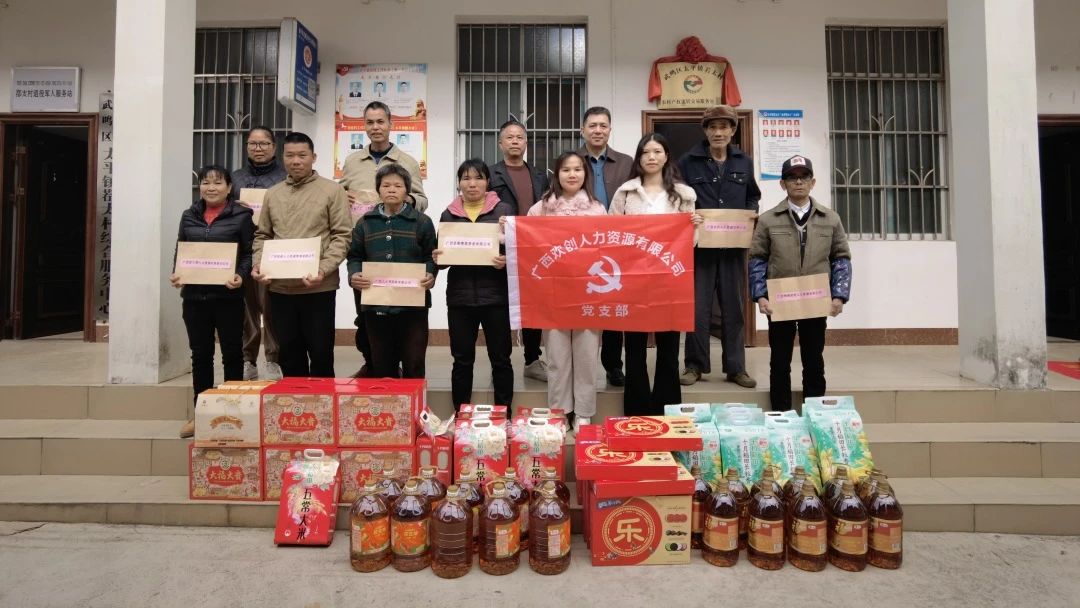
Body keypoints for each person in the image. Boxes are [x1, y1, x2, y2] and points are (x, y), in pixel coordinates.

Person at [749, 155, 852, 411]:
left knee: (813, 357)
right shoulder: (768, 219)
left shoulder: (830, 218)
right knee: (779, 359)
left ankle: (815, 412)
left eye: (804, 177)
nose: (798, 182)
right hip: (780, 300)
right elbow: (757, 259)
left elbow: (841, 258)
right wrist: (760, 295)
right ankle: (780, 413)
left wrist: (839, 295)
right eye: (792, 178)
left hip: (816, 300)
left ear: (812, 182)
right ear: (782, 184)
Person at [609, 134, 701, 416]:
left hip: (669, 280)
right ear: (638, 157)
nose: (651, 157)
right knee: (634, 348)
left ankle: (666, 408)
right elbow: (612, 233)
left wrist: (694, 226)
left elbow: (690, 242)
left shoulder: (684, 194)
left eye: (657, 151)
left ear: (666, 156)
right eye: (646, 152)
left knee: (669, 347)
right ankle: (636, 410)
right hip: (633, 279)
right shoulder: (625, 193)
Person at [251, 132, 352, 378]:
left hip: (318, 286)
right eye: (290, 155)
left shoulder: (332, 190)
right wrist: (259, 265)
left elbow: (342, 236)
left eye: (302, 155)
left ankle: (322, 402)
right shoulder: (273, 193)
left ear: (313, 157)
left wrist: (323, 269)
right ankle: (295, 402)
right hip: (280, 288)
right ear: (282, 157)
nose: (296, 161)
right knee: (289, 355)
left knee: (321, 354)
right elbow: (262, 235)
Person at [340, 101, 428, 377]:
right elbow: (339, 196)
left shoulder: (407, 162)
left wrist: (401, 198)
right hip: (369, 248)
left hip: (401, 250)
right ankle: (374, 365)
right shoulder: (352, 161)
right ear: (364, 126)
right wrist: (343, 198)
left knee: (405, 319)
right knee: (366, 315)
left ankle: (403, 368)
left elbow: (422, 200)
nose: (375, 127)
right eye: (370, 122)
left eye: (380, 122)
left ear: (391, 124)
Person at [678, 104, 761, 388]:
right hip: (699, 249)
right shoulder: (688, 162)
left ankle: (736, 367)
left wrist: (749, 215)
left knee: (733, 308)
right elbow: (680, 199)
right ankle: (694, 365)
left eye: (724, 127)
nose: (718, 132)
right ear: (705, 131)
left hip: (733, 248)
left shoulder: (744, 162)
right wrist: (689, 217)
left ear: (733, 130)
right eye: (712, 127)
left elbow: (752, 196)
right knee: (697, 309)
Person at [172, 165, 253, 438]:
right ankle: (202, 414)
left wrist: (241, 275)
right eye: (206, 182)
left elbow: (248, 253)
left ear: (229, 188)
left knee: (232, 353)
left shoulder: (242, 216)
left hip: (228, 297)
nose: (211, 187)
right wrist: (177, 273)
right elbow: (181, 248)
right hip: (194, 298)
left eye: (218, 183)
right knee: (201, 355)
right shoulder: (189, 215)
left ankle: (235, 413)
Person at [528, 151, 607, 431]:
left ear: (586, 174)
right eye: (565, 170)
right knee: (557, 358)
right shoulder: (541, 209)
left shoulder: (598, 209)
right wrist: (507, 229)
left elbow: (608, 247)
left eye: (577, 169)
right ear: (556, 174)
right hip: (553, 294)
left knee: (586, 356)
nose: (572, 174)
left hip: (589, 292)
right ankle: (560, 411)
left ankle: (583, 412)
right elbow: (525, 241)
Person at [434, 159, 515, 411]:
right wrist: (438, 257)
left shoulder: (503, 211)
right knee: (461, 360)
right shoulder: (448, 214)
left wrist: (506, 260)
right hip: (460, 299)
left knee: (501, 359)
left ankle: (504, 414)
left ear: (487, 182)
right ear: (459, 183)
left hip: (496, 297)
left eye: (478, 178)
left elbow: (518, 249)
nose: (472, 184)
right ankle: (461, 415)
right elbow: (442, 260)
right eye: (466, 178)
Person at [347, 164, 437, 378]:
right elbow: (355, 256)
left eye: (398, 185)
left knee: (414, 363)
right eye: (386, 185)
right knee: (382, 365)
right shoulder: (365, 223)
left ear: (407, 191)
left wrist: (431, 274)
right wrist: (354, 274)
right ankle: (388, 401)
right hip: (376, 306)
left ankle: (415, 400)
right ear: (378, 190)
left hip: (413, 307)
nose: (391, 190)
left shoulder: (422, 222)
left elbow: (430, 256)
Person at [489, 119, 550, 382]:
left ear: (526, 143)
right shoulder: (491, 174)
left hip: (533, 249)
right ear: (500, 143)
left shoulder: (539, 175)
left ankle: (532, 360)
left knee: (533, 304)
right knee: (502, 305)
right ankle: (501, 361)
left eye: (520, 137)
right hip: (503, 249)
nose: (515, 141)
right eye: (509, 137)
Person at [577, 106, 633, 388]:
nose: (597, 130)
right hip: (580, 244)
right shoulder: (572, 161)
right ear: (582, 130)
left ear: (610, 129)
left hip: (618, 243)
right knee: (582, 303)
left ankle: (613, 365)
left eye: (603, 125)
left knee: (614, 305)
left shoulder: (626, 162)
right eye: (592, 125)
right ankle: (580, 365)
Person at [231, 126, 287, 381]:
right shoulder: (236, 178)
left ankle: (274, 359)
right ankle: (248, 359)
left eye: (264, 143)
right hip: (242, 250)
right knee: (246, 308)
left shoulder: (284, 177)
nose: (258, 148)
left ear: (274, 147)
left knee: (272, 307)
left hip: (273, 249)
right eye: (253, 143)